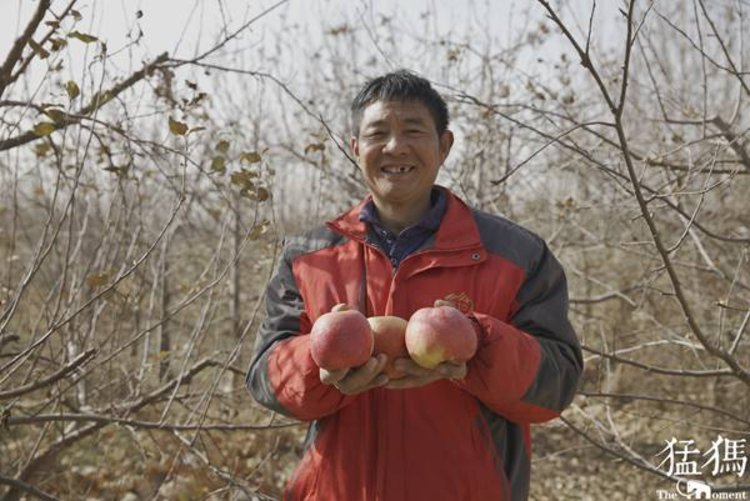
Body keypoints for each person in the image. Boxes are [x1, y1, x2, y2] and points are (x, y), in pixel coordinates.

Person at [247, 70, 582, 501]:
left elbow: (556, 387)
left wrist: (477, 343)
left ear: (444, 146)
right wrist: (322, 363)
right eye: (378, 133)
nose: (395, 147)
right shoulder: (308, 257)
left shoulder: (517, 256)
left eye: (413, 130)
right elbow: (264, 378)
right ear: (355, 149)